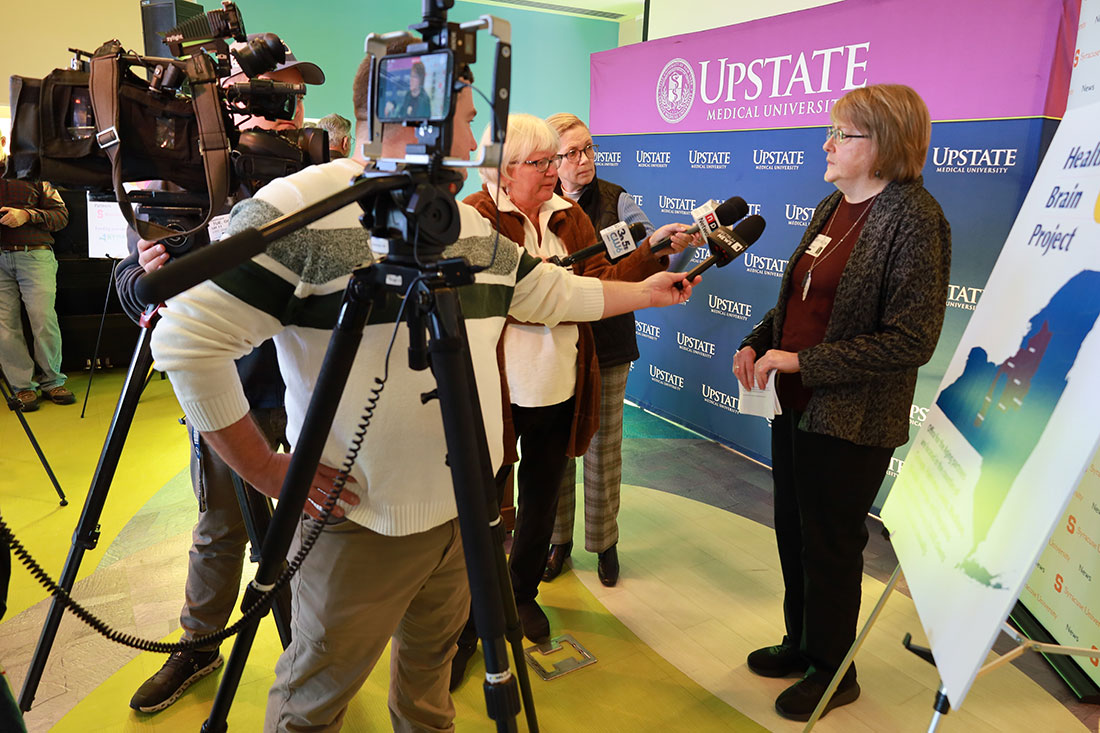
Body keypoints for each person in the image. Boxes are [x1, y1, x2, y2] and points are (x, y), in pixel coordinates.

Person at [149, 47, 699, 732]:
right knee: (312, 701)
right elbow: (183, 342)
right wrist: (264, 468)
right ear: (416, 121)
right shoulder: (303, 208)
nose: (474, 142)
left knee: (429, 692)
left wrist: (642, 292)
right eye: (466, 121)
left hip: (466, 514)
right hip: (358, 522)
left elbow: (545, 290)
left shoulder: (457, 224)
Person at [116, 37, 325, 714]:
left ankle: (307, 653)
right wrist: (146, 276)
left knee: (302, 525)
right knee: (220, 524)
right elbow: (134, 282)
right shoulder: (185, 183)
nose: (266, 120)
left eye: (279, 102)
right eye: (249, 102)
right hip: (227, 388)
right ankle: (200, 642)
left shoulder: (318, 179)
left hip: (312, 387)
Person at [733, 84, 951, 721]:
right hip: (795, 404)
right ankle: (802, 643)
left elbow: (912, 338)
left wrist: (803, 361)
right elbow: (802, 298)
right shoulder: (837, 202)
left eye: (842, 134)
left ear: (883, 145)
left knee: (830, 542)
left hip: (853, 418)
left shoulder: (915, 217)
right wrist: (758, 341)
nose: (826, 143)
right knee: (795, 531)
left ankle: (834, 671)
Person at [463, 113, 700, 646]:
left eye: (556, 159)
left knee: (543, 497)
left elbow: (600, 282)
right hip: (494, 391)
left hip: (559, 384)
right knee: (482, 506)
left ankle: (522, 594)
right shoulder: (473, 217)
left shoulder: (572, 217)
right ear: (501, 169)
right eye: (540, 162)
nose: (556, 171)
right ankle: (468, 616)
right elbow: (501, 300)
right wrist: (559, 297)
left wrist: (648, 264)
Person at [542, 112, 655, 588]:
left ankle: (605, 544)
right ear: (553, 159)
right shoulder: (540, 208)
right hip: (557, 346)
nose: (584, 160)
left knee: (605, 450)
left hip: (608, 345)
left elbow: (648, 247)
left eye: (588, 149)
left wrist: (649, 249)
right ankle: (557, 542)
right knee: (556, 450)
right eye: (572, 152)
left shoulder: (618, 199)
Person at [0, 135, 72, 412]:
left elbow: (61, 216)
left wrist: (27, 215)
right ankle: (22, 386)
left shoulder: (34, 172)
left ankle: (53, 381)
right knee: (5, 327)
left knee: (43, 318)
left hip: (36, 253)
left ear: (4, 140)